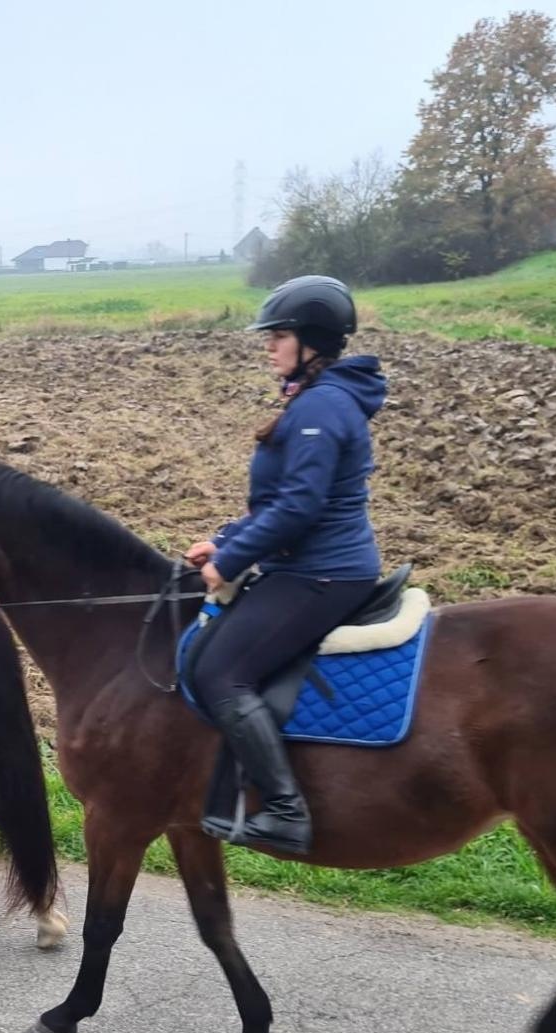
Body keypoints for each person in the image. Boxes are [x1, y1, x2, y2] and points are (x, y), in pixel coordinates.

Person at [185, 276, 386, 856]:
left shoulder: (322, 405)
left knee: (220, 672)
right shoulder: (317, 399)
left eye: (279, 335)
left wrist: (231, 561)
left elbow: (301, 506)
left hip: (323, 573)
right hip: (309, 564)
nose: (269, 345)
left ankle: (285, 810)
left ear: (313, 341)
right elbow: (277, 504)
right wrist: (223, 541)